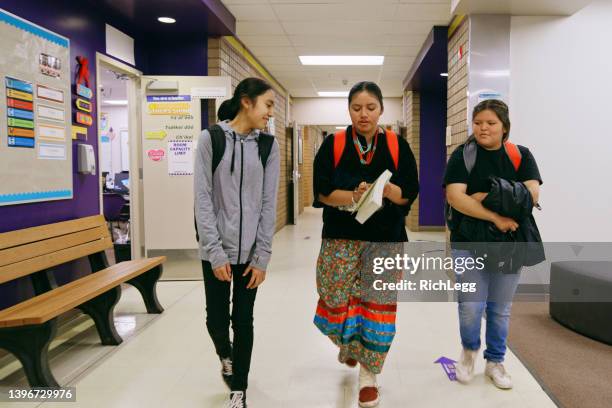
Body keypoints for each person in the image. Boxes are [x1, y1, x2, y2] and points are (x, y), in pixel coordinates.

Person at [312, 81, 419, 407]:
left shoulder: (397, 145)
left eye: (370, 108)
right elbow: (321, 191)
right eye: (357, 108)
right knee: (334, 295)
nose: (364, 114)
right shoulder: (334, 144)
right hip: (340, 236)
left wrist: (387, 191)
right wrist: (354, 195)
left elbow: (409, 192)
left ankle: (369, 376)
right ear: (349, 110)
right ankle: (351, 343)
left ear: (381, 110)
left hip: (385, 238)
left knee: (378, 305)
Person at [444, 99, 543, 389]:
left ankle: (495, 361)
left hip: (509, 244)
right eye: (478, 123)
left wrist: (484, 194)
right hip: (467, 243)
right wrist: (497, 215)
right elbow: (454, 197)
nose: (483, 128)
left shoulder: (519, 155)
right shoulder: (463, 155)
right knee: (471, 306)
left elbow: (533, 195)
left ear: (504, 127)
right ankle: (468, 352)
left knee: (500, 308)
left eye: (490, 123)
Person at [194, 77, 280, 408]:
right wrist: (215, 253)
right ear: (247, 102)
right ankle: (225, 355)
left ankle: (238, 390)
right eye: (268, 105)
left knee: (243, 320)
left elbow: (268, 204)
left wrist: (262, 257)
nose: (270, 113)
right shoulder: (211, 139)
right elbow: (202, 199)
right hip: (216, 251)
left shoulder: (267, 146)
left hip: (250, 254)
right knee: (215, 319)